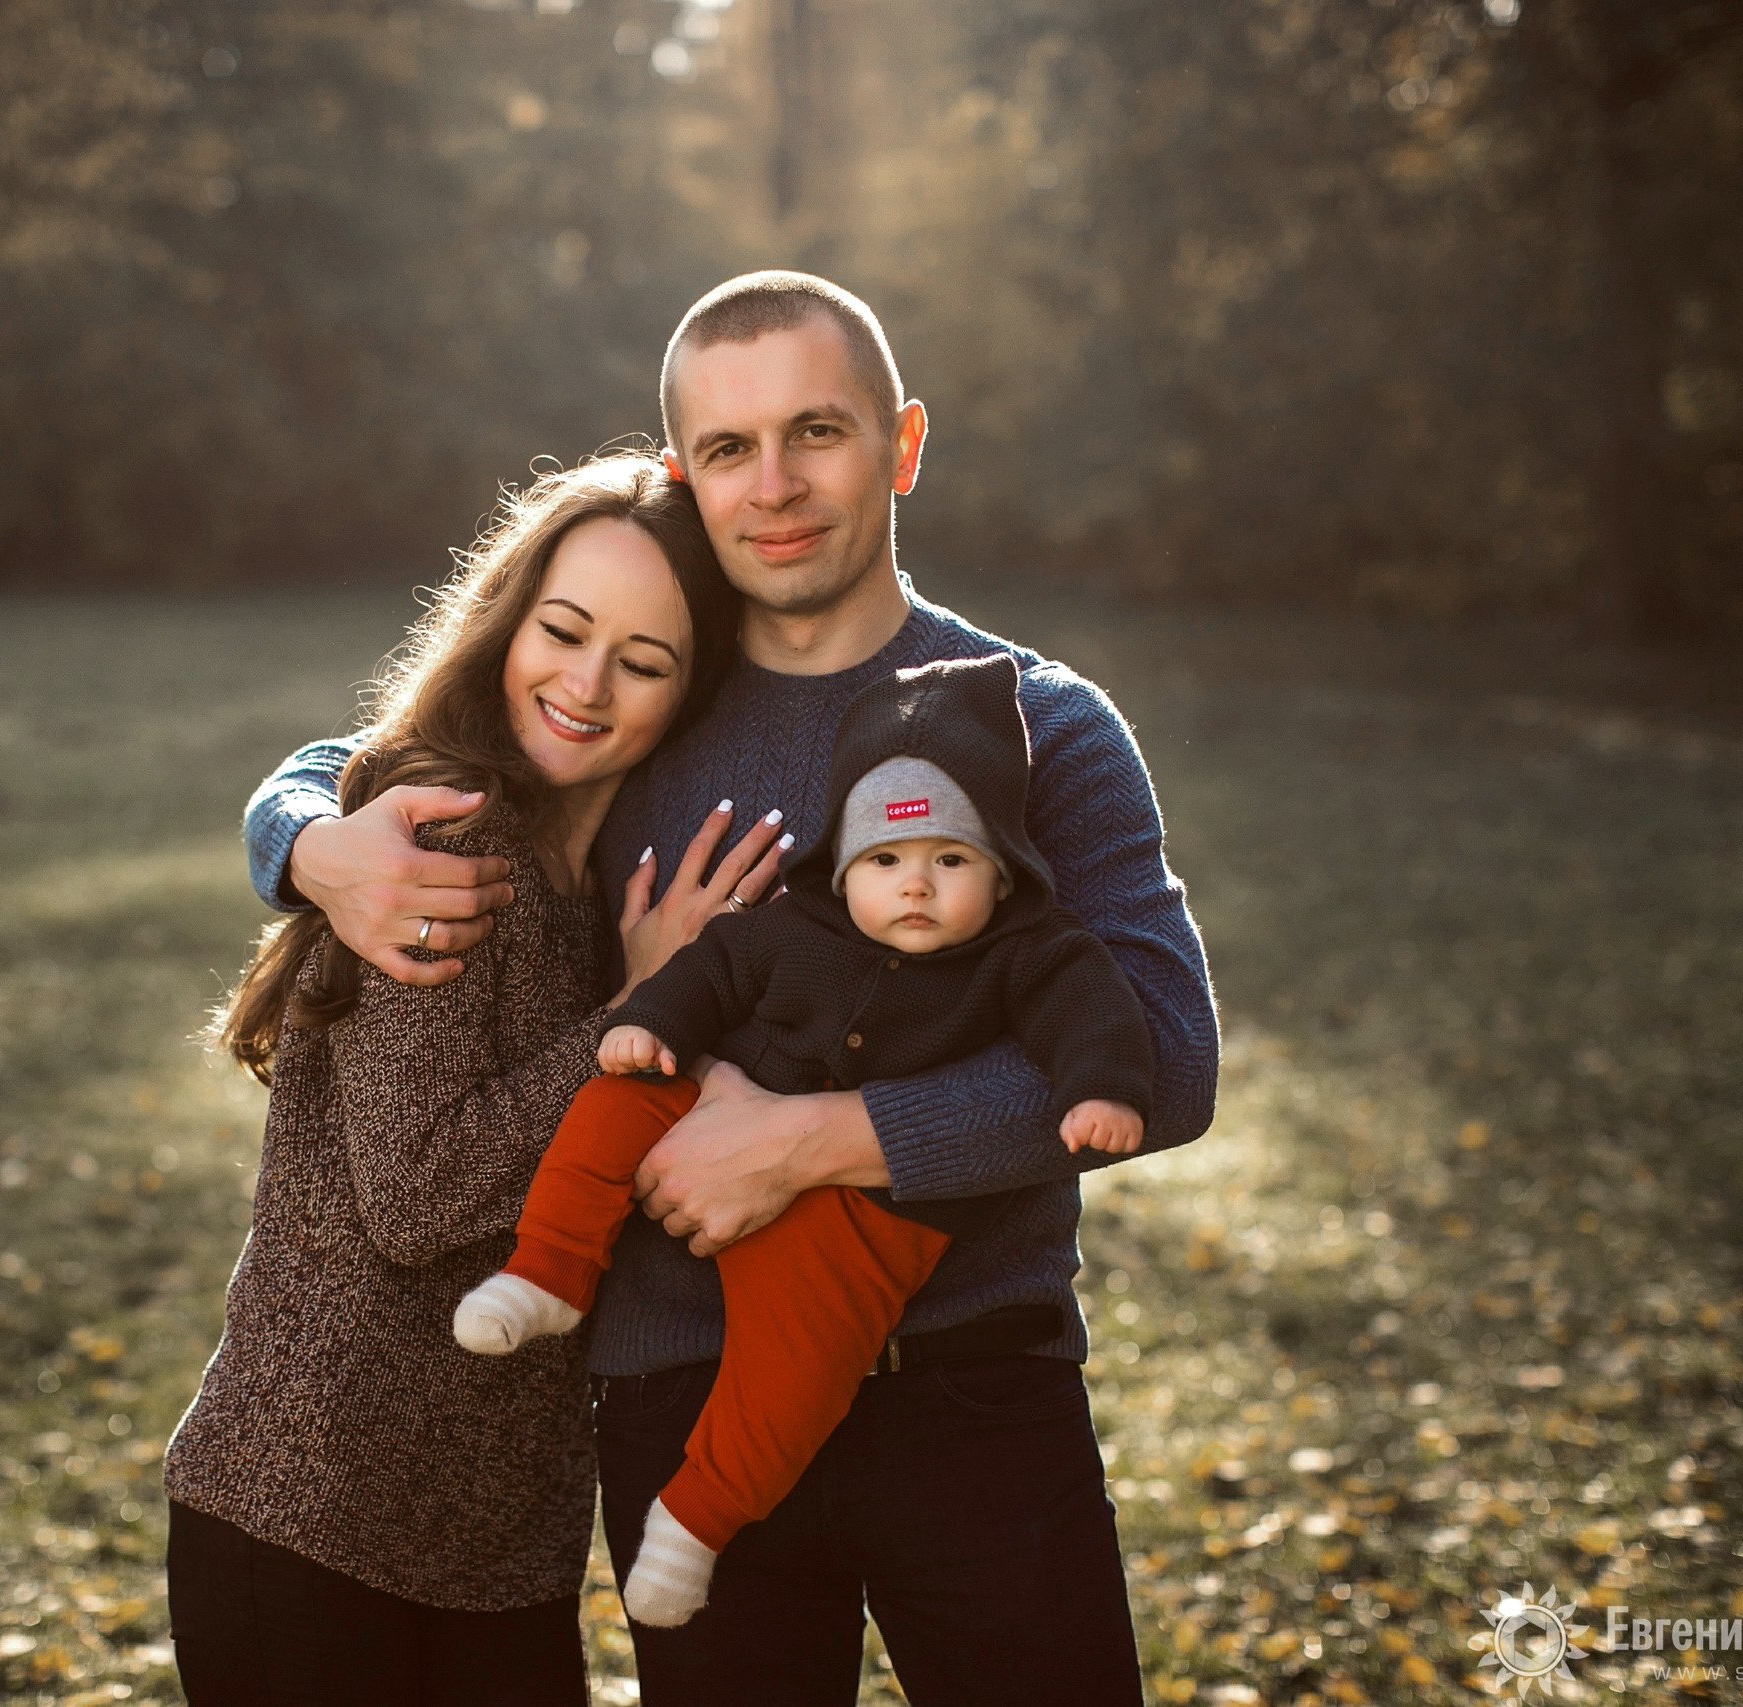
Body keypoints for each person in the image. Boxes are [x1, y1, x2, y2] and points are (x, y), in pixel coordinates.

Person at [244, 272, 1220, 1705]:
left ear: (903, 442)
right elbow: (409, 733)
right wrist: (301, 834)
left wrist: (810, 1140)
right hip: (677, 1401)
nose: (774, 484)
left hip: (977, 1390)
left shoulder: (1034, 720)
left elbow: (1168, 1059)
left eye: (817, 432)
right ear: (682, 476)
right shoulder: (645, 706)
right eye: (725, 448)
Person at [162, 452, 777, 1706]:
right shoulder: (442, 840)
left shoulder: (603, 883)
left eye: (645, 662)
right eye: (562, 630)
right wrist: (625, 1015)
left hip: (495, 1547)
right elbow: (421, 1193)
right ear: (507, 620)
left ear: (690, 693)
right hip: (312, 1507)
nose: (586, 684)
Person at [454, 650, 1160, 1630]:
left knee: (792, 1376)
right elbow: (707, 974)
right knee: (613, 1103)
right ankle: (547, 1274)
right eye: (885, 862)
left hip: (872, 1226)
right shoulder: (790, 928)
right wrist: (653, 1024)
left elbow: (1108, 1024)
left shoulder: (1030, 955)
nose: (914, 887)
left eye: (950, 862)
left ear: (1002, 877)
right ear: (841, 867)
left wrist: (1099, 1092)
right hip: (700, 1153)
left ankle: (692, 1524)